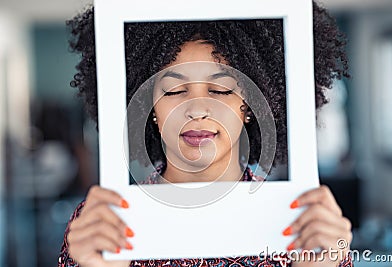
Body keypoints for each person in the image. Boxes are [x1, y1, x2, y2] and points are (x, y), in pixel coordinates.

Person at [59, 2, 354, 266]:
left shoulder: (304, 220)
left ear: (249, 106)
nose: (196, 109)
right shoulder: (102, 222)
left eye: (220, 89)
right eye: (174, 90)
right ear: (150, 108)